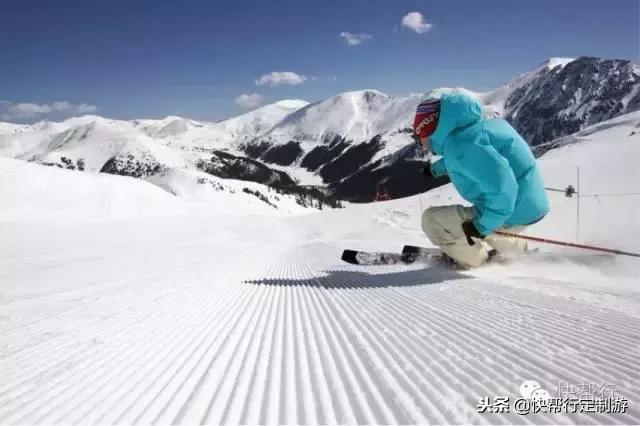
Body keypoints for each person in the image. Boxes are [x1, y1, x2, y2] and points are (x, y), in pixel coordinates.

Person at [413, 94, 550, 268]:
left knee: (431, 220)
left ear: (427, 129)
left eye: (418, 139)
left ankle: (477, 259)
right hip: (529, 206)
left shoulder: (461, 146)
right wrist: (434, 170)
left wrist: (480, 227)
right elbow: (471, 156)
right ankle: (514, 250)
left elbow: (503, 189)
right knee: (486, 218)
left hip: (511, 209)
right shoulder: (476, 130)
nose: (421, 145)